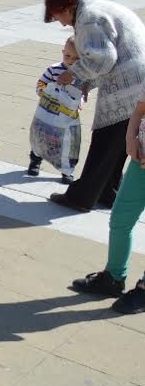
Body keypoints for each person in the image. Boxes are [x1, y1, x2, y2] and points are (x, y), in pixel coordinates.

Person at [42, 0, 145, 212]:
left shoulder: (88, 18)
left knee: (105, 140)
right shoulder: (95, 9)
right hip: (137, 79)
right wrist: (88, 83)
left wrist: (73, 74)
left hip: (128, 83)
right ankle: (109, 192)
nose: (62, 23)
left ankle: (81, 197)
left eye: (58, 17)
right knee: (117, 142)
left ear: (66, 9)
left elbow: (104, 59)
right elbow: (109, 56)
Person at [70, 89, 145, 313]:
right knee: (120, 219)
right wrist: (130, 137)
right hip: (140, 160)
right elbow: (140, 109)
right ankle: (113, 278)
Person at [26, 37, 85, 183]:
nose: (71, 61)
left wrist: (80, 102)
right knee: (40, 136)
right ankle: (35, 161)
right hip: (47, 112)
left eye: (77, 58)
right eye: (68, 56)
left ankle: (67, 171)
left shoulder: (82, 74)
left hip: (67, 116)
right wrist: (44, 92)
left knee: (67, 143)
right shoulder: (53, 69)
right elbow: (41, 83)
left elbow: (83, 92)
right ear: (63, 52)